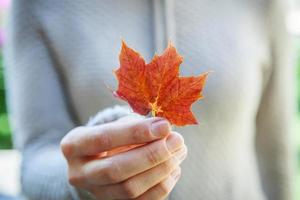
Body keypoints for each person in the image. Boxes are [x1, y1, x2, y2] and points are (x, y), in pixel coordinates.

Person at [3, 0, 295, 200]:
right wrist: (83, 178)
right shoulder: (39, 6)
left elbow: (276, 160)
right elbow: (35, 158)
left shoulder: (262, 5)